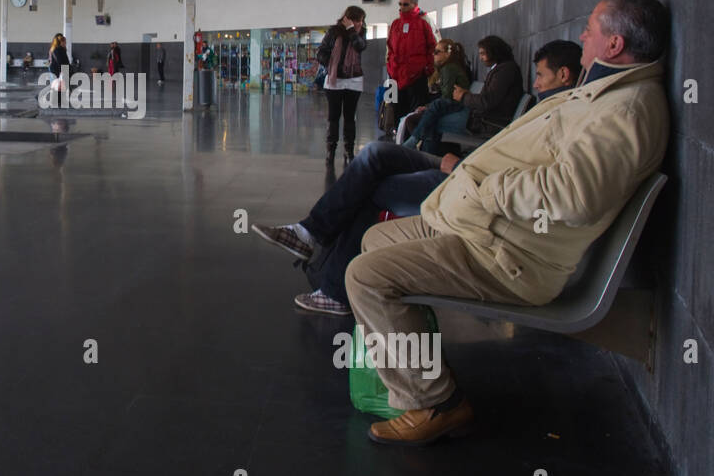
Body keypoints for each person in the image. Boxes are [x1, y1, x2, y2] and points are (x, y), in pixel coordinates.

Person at [345, 0, 669, 445]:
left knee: (365, 277)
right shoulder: (604, 94)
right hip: (478, 225)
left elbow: (574, 196)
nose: (582, 36)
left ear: (614, 45)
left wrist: (486, 189)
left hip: (506, 253)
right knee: (377, 241)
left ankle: (436, 401)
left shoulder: (626, 111)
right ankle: (416, 361)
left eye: (591, 29)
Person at [250, 41, 584, 314]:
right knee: (377, 154)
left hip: (467, 181)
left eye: (540, 75)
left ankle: (334, 288)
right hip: (464, 166)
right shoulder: (551, 107)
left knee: (375, 188)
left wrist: (462, 167)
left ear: (564, 75)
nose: (535, 82)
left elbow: (539, 180)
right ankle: (309, 233)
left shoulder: (566, 118)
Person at [404, 35, 523, 153]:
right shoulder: (504, 69)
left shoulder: (504, 71)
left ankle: (421, 155)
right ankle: (422, 154)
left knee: (432, 121)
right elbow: (488, 99)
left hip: (486, 124)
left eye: (483, 53)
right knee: (432, 116)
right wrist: (465, 94)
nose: (480, 58)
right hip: (482, 118)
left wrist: (463, 96)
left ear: (494, 52)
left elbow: (487, 101)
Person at [316, 6, 367, 165]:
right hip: (335, 80)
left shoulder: (360, 33)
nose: (360, 23)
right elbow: (321, 52)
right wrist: (331, 63)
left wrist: (352, 30)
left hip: (354, 80)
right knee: (333, 116)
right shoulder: (334, 32)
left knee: (350, 117)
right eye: (357, 20)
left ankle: (349, 150)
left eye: (361, 20)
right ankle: (331, 150)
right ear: (348, 18)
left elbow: (360, 46)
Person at [384, 0, 437, 133]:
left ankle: (413, 142)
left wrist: (428, 70)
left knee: (415, 113)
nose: (401, 7)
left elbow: (434, 47)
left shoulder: (425, 22)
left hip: (416, 76)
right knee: (395, 108)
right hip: (395, 75)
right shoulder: (395, 24)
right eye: (400, 4)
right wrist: (390, 67)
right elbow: (389, 47)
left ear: (415, 4)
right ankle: (396, 135)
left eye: (405, 4)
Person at [397, 39, 469, 144]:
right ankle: (420, 144)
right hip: (454, 103)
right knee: (428, 112)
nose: (433, 54)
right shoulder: (447, 68)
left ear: (447, 54)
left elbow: (447, 96)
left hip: (456, 104)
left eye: (437, 52)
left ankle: (415, 142)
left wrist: (428, 106)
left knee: (423, 114)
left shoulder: (449, 69)